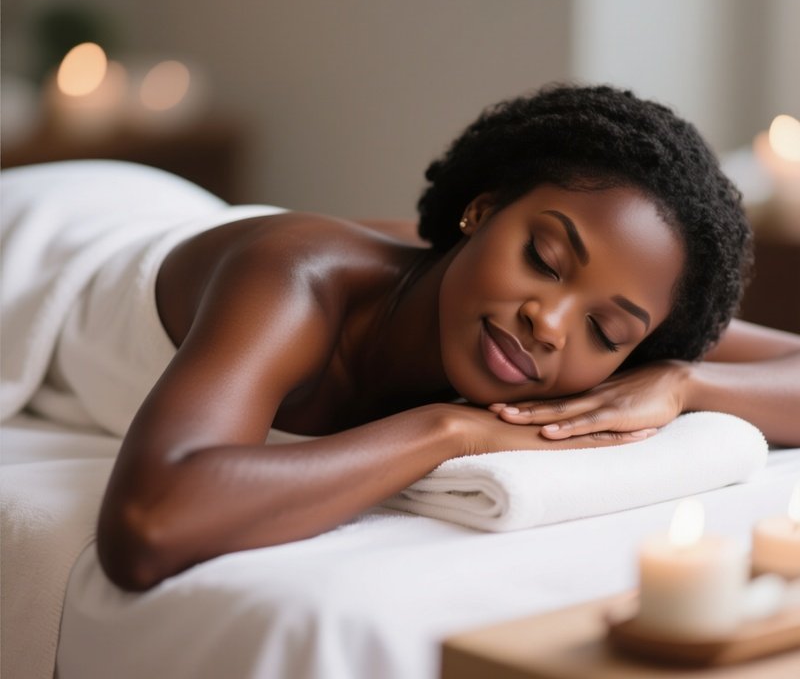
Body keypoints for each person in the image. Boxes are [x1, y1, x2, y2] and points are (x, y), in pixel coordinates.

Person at [5, 84, 799, 592]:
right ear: (481, 211)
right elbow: (149, 527)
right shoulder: (296, 278)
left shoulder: (623, 321)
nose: (550, 324)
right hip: (43, 238)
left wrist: (686, 383)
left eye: (608, 330)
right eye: (543, 258)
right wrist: (447, 430)